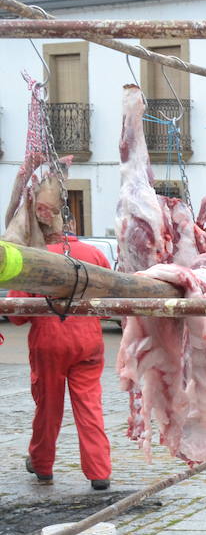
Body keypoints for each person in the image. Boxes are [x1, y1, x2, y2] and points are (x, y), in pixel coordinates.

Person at [8, 195, 113, 491]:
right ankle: (99, 472)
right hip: (88, 341)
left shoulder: (37, 257)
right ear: (72, 225)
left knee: (48, 407)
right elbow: (108, 300)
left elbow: (16, 314)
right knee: (90, 405)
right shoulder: (94, 254)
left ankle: (42, 465)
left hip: (49, 341)